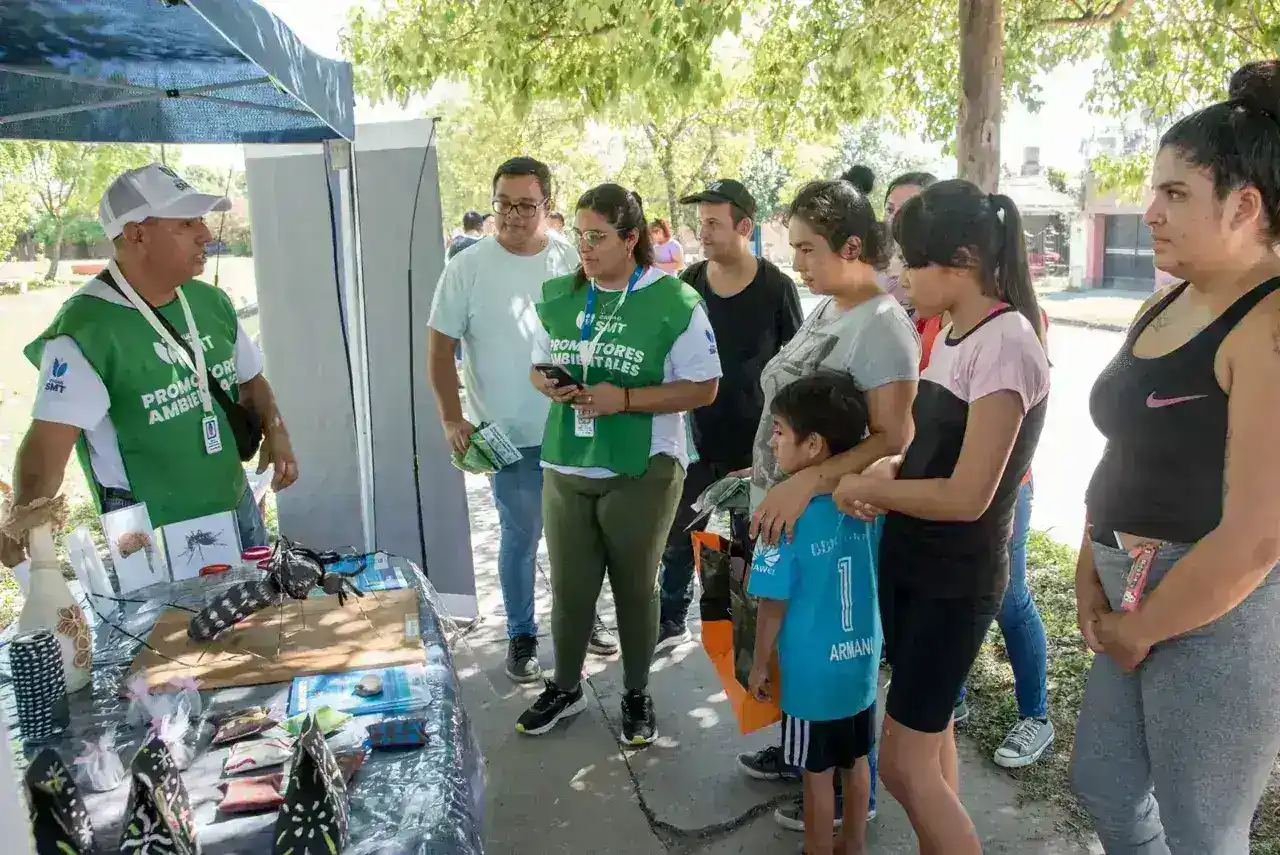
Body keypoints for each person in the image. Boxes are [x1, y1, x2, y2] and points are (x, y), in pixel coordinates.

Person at [1070, 60, 1280, 854]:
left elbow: (1260, 533)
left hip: (1216, 618)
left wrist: (1145, 624)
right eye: (1153, 189)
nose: (1149, 210)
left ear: (1244, 206)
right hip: (1129, 595)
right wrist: (1094, 567)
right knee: (1106, 785)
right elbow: (1126, 444)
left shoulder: (1268, 323)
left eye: (1175, 194)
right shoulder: (1169, 296)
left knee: (1203, 829)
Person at [835, 179, 1050, 855]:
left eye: (913, 259)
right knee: (930, 748)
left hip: (953, 578)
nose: (901, 274)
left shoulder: (1007, 341)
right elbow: (931, 453)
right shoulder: (954, 333)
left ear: (961, 259)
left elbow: (967, 493)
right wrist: (883, 474)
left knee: (900, 765)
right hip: (914, 563)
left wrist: (868, 487)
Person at [0, 163, 295, 570]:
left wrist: (276, 432)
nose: (206, 234)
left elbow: (251, 380)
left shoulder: (210, 302)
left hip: (234, 500)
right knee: (175, 631)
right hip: (152, 529)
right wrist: (27, 519)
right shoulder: (86, 329)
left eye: (202, 220)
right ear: (137, 233)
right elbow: (47, 446)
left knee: (260, 618)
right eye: (187, 223)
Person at [743, 175, 919, 831]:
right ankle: (803, 751)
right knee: (793, 644)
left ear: (852, 245)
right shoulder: (829, 306)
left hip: (824, 522)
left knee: (825, 644)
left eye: (809, 248)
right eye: (793, 246)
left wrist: (808, 481)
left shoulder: (883, 324)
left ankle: (847, 791)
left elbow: (893, 435)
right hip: (784, 506)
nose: (798, 262)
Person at [518, 183, 722, 745]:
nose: (585, 247)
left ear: (631, 239)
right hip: (568, 463)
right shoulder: (560, 294)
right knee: (570, 587)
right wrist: (551, 387)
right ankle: (565, 686)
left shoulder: (674, 301)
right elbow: (539, 365)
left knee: (635, 587)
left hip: (643, 469)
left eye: (599, 237)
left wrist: (625, 399)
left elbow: (704, 387)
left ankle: (636, 691)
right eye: (580, 235)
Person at [427, 157, 617, 685]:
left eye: (526, 205)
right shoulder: (465, 268)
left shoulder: (570, 261)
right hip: (507, 437)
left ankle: (584, 617)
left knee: (580, 537)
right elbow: (440, 352)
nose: (513, 215)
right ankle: (522, 633)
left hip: (576, 428)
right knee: (521, 535)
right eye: (504, 204)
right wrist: (452, 419)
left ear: (548, 207)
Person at [654, 178, 802, 649]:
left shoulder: (776, 287)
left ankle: (748, 629)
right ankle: (670, 617)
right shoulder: (688, 284)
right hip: (695, 439)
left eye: (714, 223)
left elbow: (796, 367)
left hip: (756, 445)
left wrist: (785, 440)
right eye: (701, 223)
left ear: (745, 226)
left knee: (750, 541)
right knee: (679, 535)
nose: (704, 232)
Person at [747, 373, 881, 855]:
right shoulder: (869, 502)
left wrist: (760, 662)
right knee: (857, 761)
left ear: (815, 445)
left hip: (810, 675)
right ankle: (854, 845)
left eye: (780, 429)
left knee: (816, 776)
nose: (773, 439)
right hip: (860, 662)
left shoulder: (780, 514)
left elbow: (771, 603)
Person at [880, 171, 938, 318]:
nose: (894, 219)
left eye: (907, 211)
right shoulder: (868, 267)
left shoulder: (940, 273)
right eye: (890, 210)